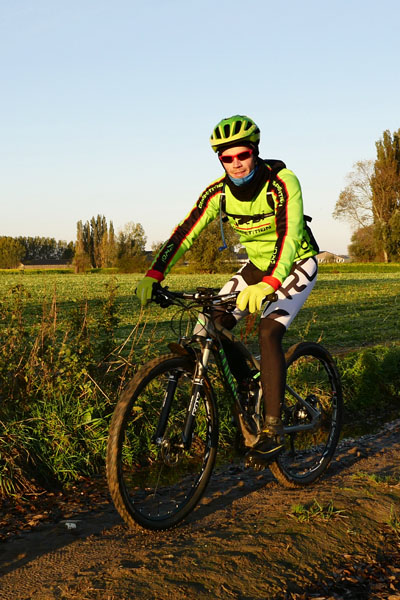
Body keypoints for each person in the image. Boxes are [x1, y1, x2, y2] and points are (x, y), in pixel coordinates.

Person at [136, 115, 319, 468]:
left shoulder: (282, 182)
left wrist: (270, 283)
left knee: (268, 331)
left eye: (242, 155)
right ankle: (249, 385)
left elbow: (289, 234)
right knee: (209, 325)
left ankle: (273, 429)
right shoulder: (217, 193)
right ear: (220, 160)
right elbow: (185, 232)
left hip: (296, 261)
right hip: (257, 267)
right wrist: (154, 273)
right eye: (227, 158)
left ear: (255, 152)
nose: (236, 163)